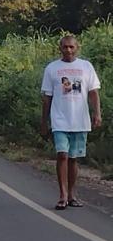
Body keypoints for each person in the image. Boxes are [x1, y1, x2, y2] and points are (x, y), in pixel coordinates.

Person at [40, 36, 102, 210]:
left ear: (77, 48)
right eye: (65, 47)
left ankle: (72, 194)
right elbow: (47, 98)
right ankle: (62, 194)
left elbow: (93, 92)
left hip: (80, 120)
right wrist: (44, 122)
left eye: (71, 47)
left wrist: (97, 113)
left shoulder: (85, 67)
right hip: (60, 120)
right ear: (60, 48)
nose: (68, 50)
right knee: (62, 155)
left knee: (74, 158)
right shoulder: (52, 68)